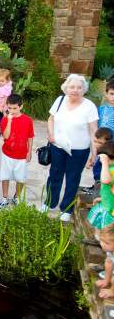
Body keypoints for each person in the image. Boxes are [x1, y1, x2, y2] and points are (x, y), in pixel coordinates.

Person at [45, 74, 99, 222]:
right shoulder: (60, 100)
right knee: (54, 175)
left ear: (84, 89)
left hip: (79, 150)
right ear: (66, 88)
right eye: (72, 87)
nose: (75, 90)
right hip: (58, 146)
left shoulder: (89, 106)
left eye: (79, 87)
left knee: (72, 179)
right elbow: (51, 118)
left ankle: (66, 209)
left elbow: (94, 130)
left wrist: (94, 153)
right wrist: (50, 133)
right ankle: (49, 203)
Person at [0, 94, 34, 208]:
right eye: (9, 108)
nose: (12, 111)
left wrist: (29, 151)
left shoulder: (28, 120)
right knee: (5, 176)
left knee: (21, 178)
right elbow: (6, 136)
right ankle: (4, 197)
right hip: (7, 153)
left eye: (15, 108)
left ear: (21, 106)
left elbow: (30, 136)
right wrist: (9, 121)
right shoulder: (4, 119)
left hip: (22, 155)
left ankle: (16, 197)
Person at [85, 82, 114, 193]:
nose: (113, 97)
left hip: (113, 146)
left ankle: (108, 189)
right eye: (111, 94)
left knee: (110, 168)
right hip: (101, 144)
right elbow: (95, 128)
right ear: (106, 94)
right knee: (98, 167)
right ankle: (97, 186)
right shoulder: (100, 109)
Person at [87, 142, 114, 230]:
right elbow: (110, 189)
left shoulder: (111, 169)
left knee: (107, 230)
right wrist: (103, 198)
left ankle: (105, 242)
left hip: (111, 211)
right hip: (107, 205)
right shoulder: (110, 168)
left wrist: (105, 162)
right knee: (101, 228)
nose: (100, 161)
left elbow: (106, 181)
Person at [84, 127, 114, 194]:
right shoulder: (100, 150)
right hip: (98, 180)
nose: (96, 144)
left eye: (100, 143)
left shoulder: (108, 154)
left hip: (105, 182)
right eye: (95, 141)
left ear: (109, 142)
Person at [94, 224, 114, 300]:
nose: (102, 244)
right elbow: (109, 263)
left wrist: (112, 291)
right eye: (101, 240)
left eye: (106, 243)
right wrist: (106, 280)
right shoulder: (110, 250)